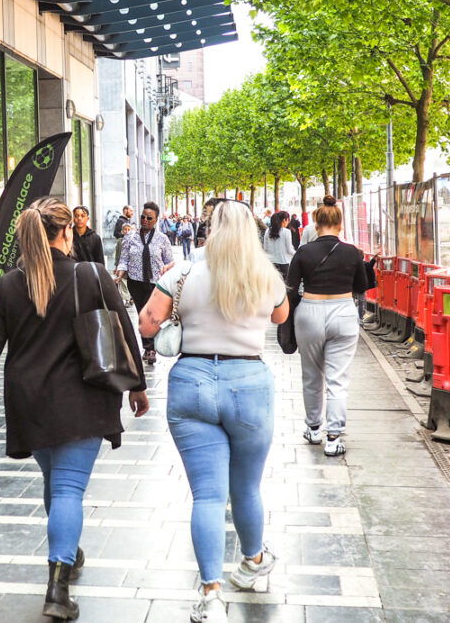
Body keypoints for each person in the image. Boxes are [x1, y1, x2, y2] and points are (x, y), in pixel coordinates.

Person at [0, 197, 150, 621]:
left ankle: (67, 552)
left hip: (29, 401)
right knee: (68, 490)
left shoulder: (8, 285)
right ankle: (57, 588)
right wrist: (137, 387)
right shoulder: (91, 275)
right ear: (68, 231)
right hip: (83, 397)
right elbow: (124, 329)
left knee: (56, 483)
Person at [138, 201, 289, 623]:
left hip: (192, 381)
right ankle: (254, 561)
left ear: (211, 228)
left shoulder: (182, 273)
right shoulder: (265, 276)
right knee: (246, 488)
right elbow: (280, 315)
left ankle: (211, 596)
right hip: (249, 384)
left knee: (207, 494)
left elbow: (147, 324)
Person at [287, 195, 368, 457]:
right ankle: (334, 437)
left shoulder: (303, 252)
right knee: (337, 379)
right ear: (340, 225)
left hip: (309, 312)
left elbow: (290, 288)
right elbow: (361, 287)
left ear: (315, 224)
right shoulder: (352, 252)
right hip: (343, 312)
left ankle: (313, 428)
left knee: (311, 375)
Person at [115, 202, 174, 365]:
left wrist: (169, 276)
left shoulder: (162, 239)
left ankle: (152, 347)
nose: (145, 220)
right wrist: (120, 274)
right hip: (136, 282)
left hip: (156, 283)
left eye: (149, 218)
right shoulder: (130, 237)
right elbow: (124, 259)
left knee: (153, 314)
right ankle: (148, 348)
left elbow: (170, 262)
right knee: (142, 314)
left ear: (156, 220)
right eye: (143, 217)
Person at [263, 210, 295, 284]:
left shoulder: (268, 231)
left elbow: (265, 249)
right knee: (284, 286)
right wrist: (297, 254)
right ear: (284, 220)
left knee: (272, 286)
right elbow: (289, 250)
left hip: (271, 264)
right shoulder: (286, 232)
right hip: (284, 263)